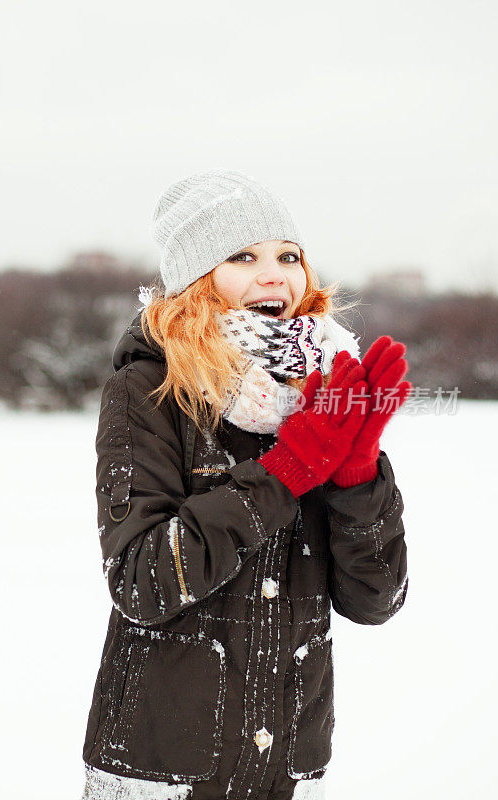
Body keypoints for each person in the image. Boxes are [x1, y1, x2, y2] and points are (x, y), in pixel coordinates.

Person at [79, 170, 411, 800]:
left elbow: (376, 600)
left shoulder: (324, 394)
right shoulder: (149, 391)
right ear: (197, 281)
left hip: (284, 770)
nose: (274, 274)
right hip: (165, 771)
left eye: (289, 256)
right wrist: (286, 472)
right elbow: (142, 581)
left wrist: (356, 471)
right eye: (242, 255)